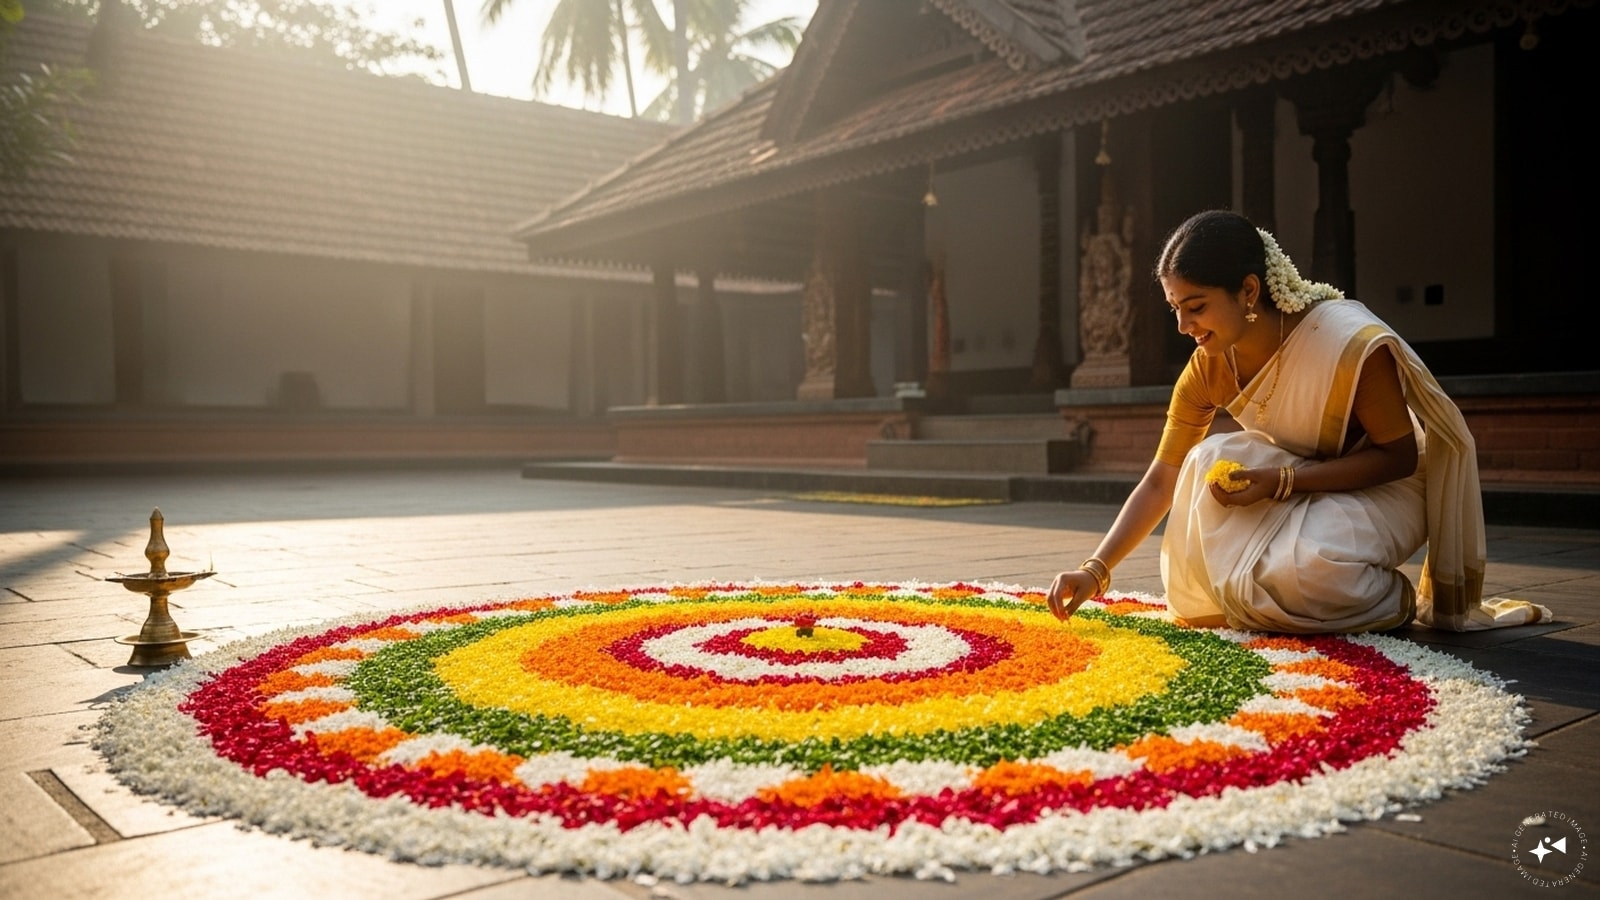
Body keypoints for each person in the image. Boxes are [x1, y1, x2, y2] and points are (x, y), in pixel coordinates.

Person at [1047, 210, 1550, 633]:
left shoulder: (1345, 343)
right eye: (1175, 308)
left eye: (1195, 307)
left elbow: (1397, 457)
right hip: (1295, 482)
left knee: (1308, 574)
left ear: (1248, 290)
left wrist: (1282, 481)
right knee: (1207, 464)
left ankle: (1392, 600)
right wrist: (1096, 571)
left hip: (1384, 487)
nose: (1183, 327)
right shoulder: (1209, 365)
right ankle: (1301, 594)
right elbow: (1164, 476)